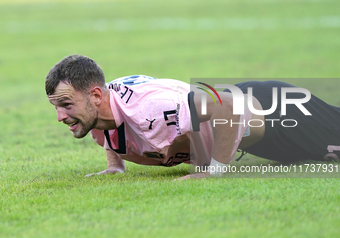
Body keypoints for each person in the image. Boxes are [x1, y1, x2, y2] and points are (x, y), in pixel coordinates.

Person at [45, 55, 340, 179]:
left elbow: (226, 106)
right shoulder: (99, 118)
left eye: (66, 104)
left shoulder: (150, 107)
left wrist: (213, 170)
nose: (60, 116)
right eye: (55, 106)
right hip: (256, 135)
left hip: (277, 114)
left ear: (96, 95)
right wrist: (115, 166)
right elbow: (114, 132)